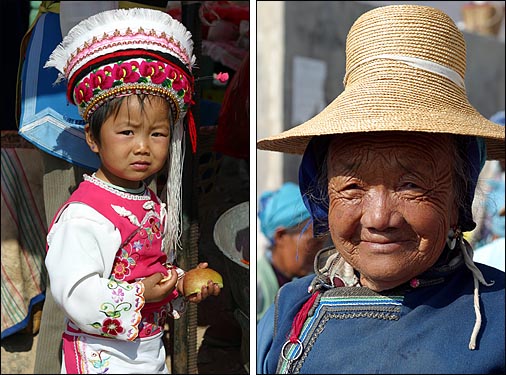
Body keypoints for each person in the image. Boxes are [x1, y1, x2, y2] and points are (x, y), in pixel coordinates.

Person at [256, 4, 505, 374]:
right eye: (353, 186)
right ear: (323, 195)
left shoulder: (495, 315)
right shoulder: (288, 309)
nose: (378, 218)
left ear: (459, 198)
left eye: (411, 185)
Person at [42, 7, 221, 373]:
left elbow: (147, 269)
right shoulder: (84, 214)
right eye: (127, 132)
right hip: (102, 357)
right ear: (92, 138)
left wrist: (180, 283)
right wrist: (142, 295)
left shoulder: (147, 202)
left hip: (146, 352)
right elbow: (75, 292)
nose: (143, 146)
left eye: (157, 134)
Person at [257, 182, 327, 321]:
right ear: (281, 236)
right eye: (313, 243)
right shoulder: (257, 285)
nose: (318, 253)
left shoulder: (309, 284)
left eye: (322, 244)